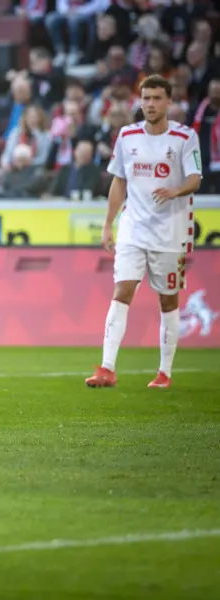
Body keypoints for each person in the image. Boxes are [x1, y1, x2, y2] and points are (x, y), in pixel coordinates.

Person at [86, 74, 202, 389]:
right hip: (133, 228)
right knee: (122, 291)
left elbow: (196, 178)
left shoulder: (184, 137)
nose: (150, 104)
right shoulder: (127, 135)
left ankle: (164, 373)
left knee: (168, 300)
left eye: (156, 98)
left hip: (170, 231)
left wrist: (175, 190)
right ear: (140, 101)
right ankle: (106, 368)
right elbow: (118, 181)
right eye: (146, 98)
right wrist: (108, 224)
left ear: (168, 102)